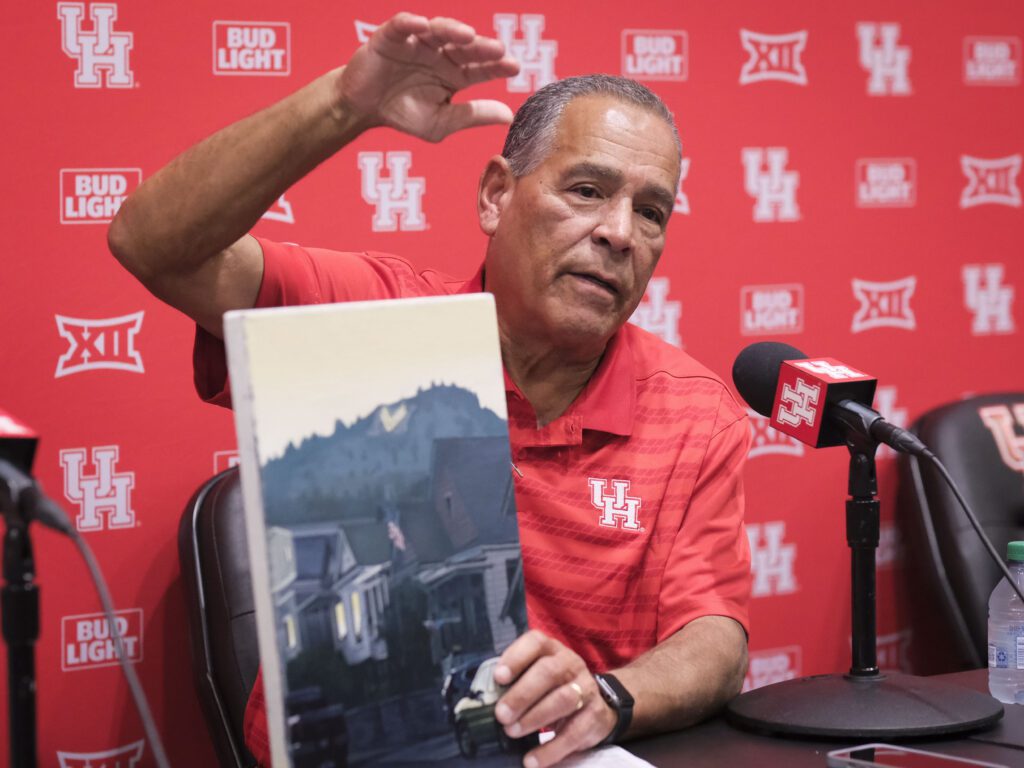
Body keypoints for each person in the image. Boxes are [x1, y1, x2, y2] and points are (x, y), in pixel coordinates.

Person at [109, 12, 751, 768]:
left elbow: (715, 634)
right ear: (494, 196)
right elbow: (151, 245)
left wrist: (607, 698)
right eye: (586, 190)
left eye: (651, 212)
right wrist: (344, 105)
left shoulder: (695, 410)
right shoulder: (373, 322)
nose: (619, 233)